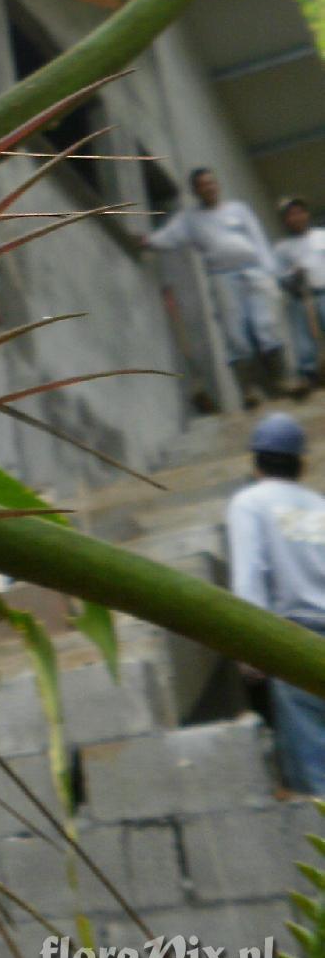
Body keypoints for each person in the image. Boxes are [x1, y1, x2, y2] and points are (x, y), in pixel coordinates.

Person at [141, 167, 300, 406]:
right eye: (203, 185)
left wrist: (271, 273)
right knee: (235, 334)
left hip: (254, 272)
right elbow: (168, 237)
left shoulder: (239, 209)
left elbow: (258, 240)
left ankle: (283, 380)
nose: (209, 187)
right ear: (196, 190)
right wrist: (146, 241)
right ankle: (249, 391)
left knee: (266, 325)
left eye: (212, 183)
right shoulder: (190, 219)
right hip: (222, 276)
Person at [226, 413, 325, 795]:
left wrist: (249, 647)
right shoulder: (318, 505)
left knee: (314, 767)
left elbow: (249, 574)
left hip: (292, 637)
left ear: (256, 461)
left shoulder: (250, 502)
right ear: (301, 462)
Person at [275, 196, 325, 386]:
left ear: (306, 214)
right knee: (305, 343)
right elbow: (280, 278)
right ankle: (312, 376)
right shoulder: (282, 248)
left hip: (324, 292)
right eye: (290, 215)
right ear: (286, 220)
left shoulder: (322, 236)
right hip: (301, 299)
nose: (295, 218)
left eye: (298, 212)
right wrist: (293, 274)